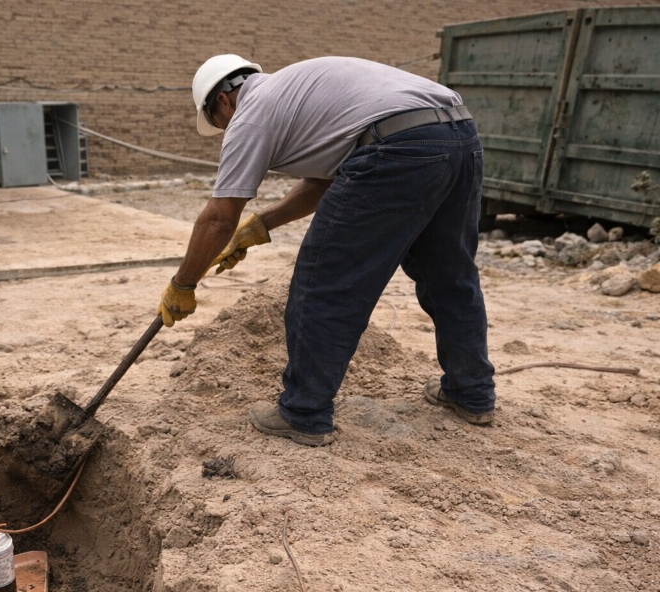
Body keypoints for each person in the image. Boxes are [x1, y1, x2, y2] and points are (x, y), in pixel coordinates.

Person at [157, 55, 496, 446]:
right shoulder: (297, 93)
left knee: (324, 285)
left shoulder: (250, 115)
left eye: (218, 125)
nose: (224, 132)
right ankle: (471, 392)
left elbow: (219, 217)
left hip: (398, 146)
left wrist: (183, 284)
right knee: (449, 275)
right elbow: (325, 181)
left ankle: (304, 412)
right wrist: (261, 225)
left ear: (221, 100)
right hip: (460, 134)